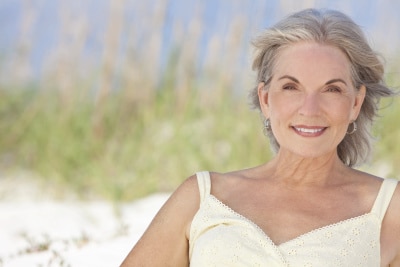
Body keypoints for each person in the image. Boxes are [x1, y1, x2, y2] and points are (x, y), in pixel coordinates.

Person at [120, 8, 400, 266]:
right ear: (265, 99)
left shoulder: (389, 208)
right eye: (291, 87)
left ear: (355, 103)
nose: (310, 109)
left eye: (332, 89)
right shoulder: (203, 196)